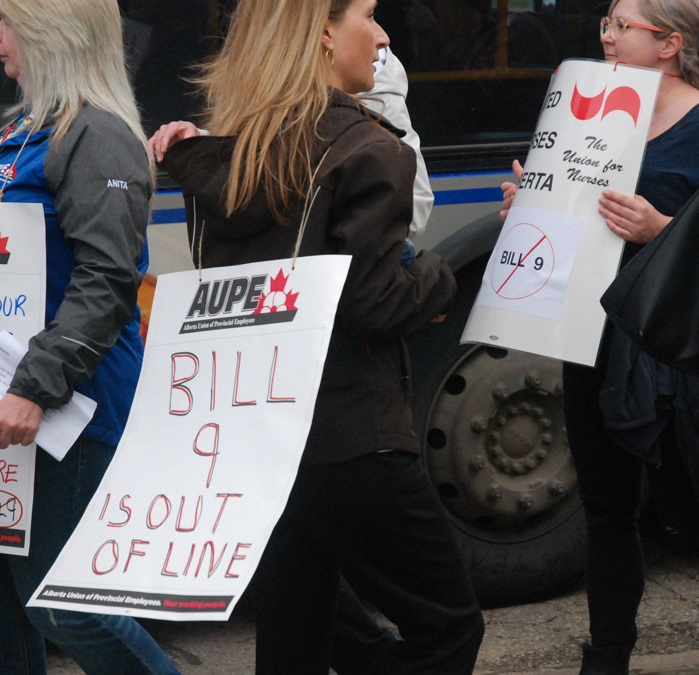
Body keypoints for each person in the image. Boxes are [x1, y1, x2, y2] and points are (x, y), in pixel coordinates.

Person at [149, 1, 485, 673]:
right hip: (351, 432)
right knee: (450, 626)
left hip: (259, 438)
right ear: (323, 34)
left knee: (295, 629)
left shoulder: (226, 153)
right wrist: (441, 283)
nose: (385, 35)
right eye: (368, 13)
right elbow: (371, 300)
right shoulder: (369, 148)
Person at [502, 1, 699, 673]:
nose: (608, 37)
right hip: (594, 333)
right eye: (607, 25)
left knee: (696, 504)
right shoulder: (585, 107)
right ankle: (610, 655)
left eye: (624, 26)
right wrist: (527, 206)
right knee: (606, 506)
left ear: (669, 43)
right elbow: (568, 218)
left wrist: (661, 230)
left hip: (670, 347)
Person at [0, 1, 179, 674]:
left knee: (64, 606)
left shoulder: (96, 135)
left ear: (53, 32)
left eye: (7, 21)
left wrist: (33, 387)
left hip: (63, 413)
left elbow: (108, 281)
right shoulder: (17, 131)